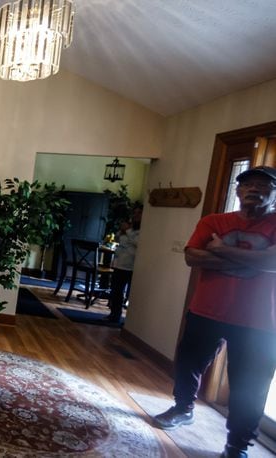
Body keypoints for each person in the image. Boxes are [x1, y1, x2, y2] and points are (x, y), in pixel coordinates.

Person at [152, 166, 276, 458]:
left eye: (263, 186)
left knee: (250, 387)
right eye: (248, 185)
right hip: (206, 310)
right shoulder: (214, 220)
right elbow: (192, 256)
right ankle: (183, 409)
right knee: (188, 365)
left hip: (260, 323)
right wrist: (255, 261)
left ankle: (236, 446)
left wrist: (219, 250)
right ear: (238, 191)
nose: (254, 190)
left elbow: (274, 263)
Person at [102, 205, 142, 322]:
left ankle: (130, 320)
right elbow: (118, 239)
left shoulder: (142, 230)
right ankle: (114, 314)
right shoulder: (130, 228)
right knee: (116, 290)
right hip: (119, 263)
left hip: (131, 265)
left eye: (139, 213)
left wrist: (127, 231)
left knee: (127, 292)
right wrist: (122, 231)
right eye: (134, 212)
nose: (136, 215)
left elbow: (138, 243)